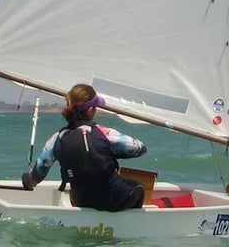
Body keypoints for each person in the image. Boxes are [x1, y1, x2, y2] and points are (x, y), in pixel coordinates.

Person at [21, 83, 148, 212]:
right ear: (90, 110)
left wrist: (28, 180)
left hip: (81, 200)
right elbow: (140, 148)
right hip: (114, 199)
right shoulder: (105, 133)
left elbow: (39, 171)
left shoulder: (57, 139)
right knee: (138, 187)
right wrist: (113, 151)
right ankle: (128, 223)